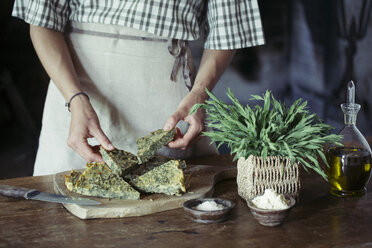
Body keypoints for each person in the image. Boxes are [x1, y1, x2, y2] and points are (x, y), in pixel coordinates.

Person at [12, 0, 265, 176]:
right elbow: (42, 22)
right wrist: (75, 99)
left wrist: (199, 93)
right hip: (73, 97)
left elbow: (227, 31)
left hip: (165, 104)